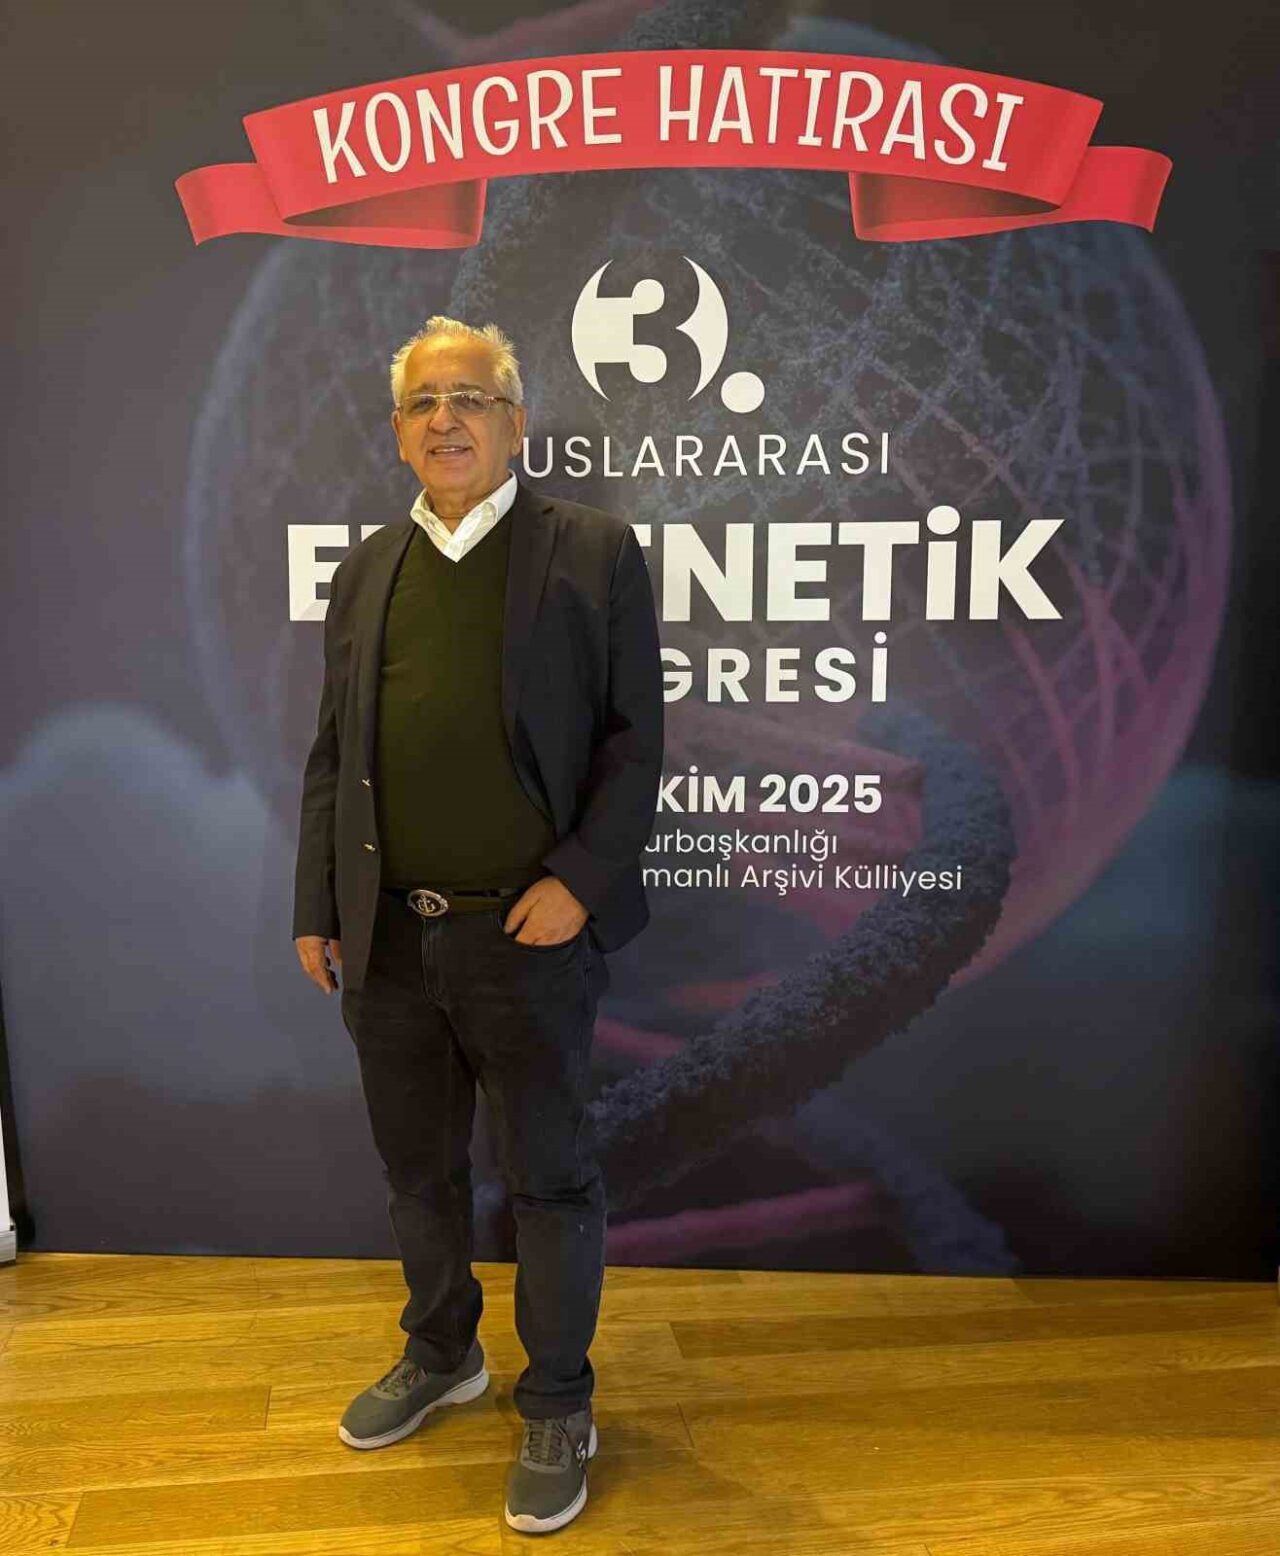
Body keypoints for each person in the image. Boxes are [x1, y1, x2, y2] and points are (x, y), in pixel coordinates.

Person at [291, 315, 664, 1534]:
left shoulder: (593, 551)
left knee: (550, 1180)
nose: (444, 418)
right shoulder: (366, 569)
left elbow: (635, 741)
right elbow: (333, 754)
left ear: (516, 422)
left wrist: (581, 881)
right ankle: (442, 1349)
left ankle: (556, 1398)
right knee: (419, 1171)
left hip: (529, 936)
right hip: (388, 940)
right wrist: (317, 903)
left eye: (469, 397)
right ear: (398, 432)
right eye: (421, 401)